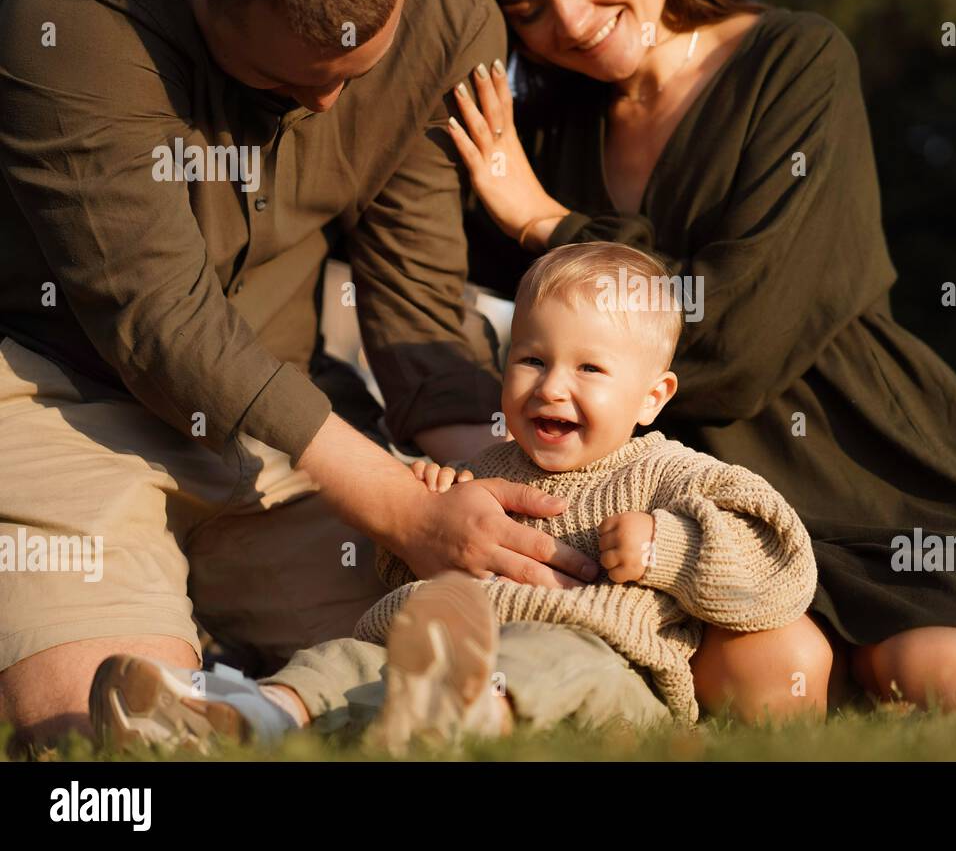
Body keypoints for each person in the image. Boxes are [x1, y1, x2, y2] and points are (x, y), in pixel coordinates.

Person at [439, 0, 956, 713]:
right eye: (528, 10)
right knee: (767, 683)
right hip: (683, 508)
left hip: (866, 467)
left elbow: (743, 336)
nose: (573, 21)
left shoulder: (799, 62)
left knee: (945, 673)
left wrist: (544, 221)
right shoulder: (538, 137)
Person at [0, 0, 594, 748]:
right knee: (109, 730)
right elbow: (161, 320)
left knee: (461, 649)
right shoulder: (68, 16)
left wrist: (493, 484)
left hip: (295, 431)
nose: (323, 107)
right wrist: (400, 506)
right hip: (66, 401)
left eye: (354, 75)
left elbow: (417, 299)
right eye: (284, 81)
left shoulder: (448, 16)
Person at [90, 243, 819, 751]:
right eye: (531, 359)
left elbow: (778, 561)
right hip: (433, 643)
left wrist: (670, 546)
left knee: (548, 662)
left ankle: (464, 719)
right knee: (342, 662)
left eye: (589, 368)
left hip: (601, 663)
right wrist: (419, 517)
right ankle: (244, 715)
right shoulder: (486, 467)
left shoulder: (670, 474)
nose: (551, 385)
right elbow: (409, 566)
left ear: (653, 397)